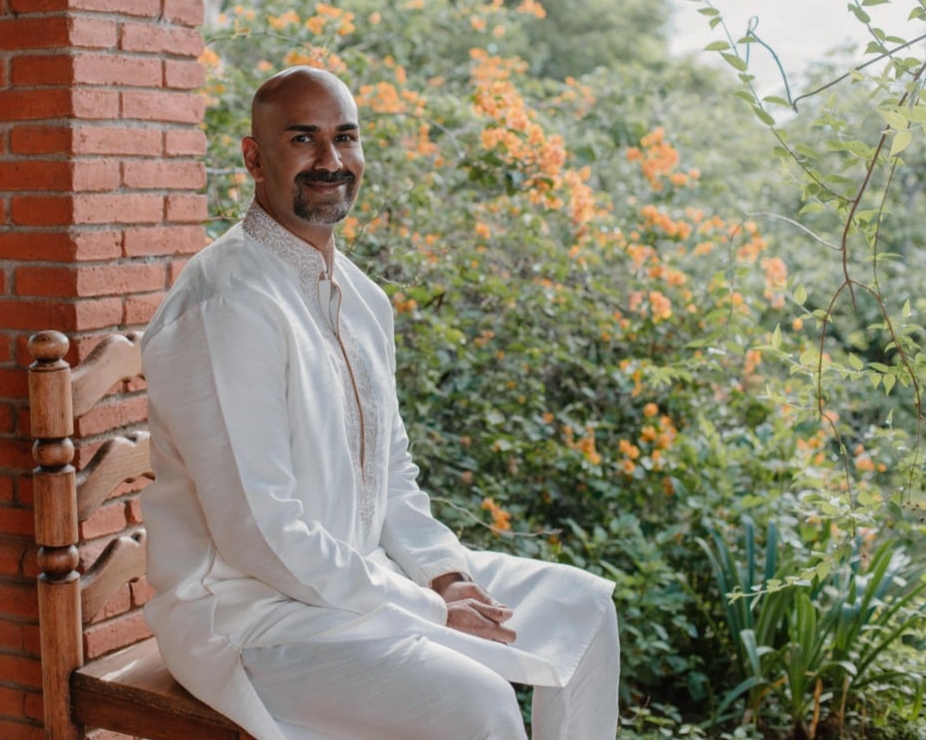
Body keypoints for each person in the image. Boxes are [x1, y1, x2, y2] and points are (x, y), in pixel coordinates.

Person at [139, 65, 620, 740]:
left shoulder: (362, 299)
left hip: (368, 583)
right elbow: (259, 534)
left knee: (585, 609)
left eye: (346, 138)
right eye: (303, 139)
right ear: (254, 157)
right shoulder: (227, 303)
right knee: (480, 703)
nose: (330, 160)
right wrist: (421, 607)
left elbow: (393, 480)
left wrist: (446, 578)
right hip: (257, 618)